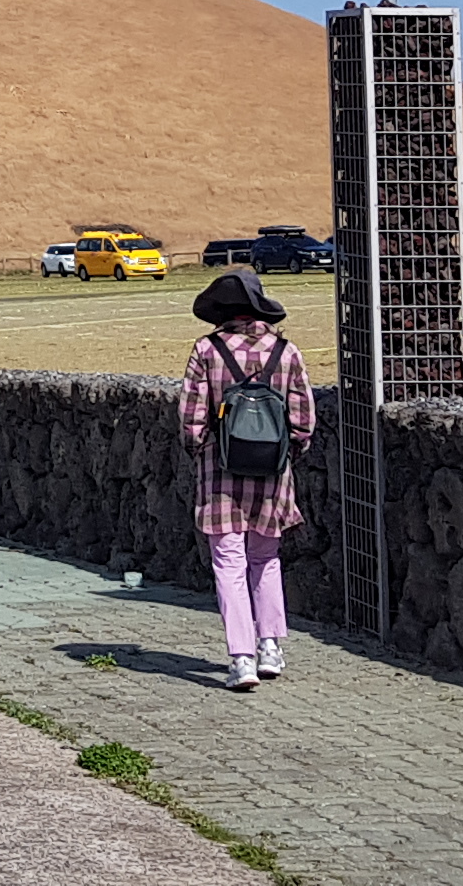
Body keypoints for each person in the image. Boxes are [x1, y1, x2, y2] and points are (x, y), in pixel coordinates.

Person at [177, 267, 313, 692]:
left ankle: (241, 659)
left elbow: (191, 419)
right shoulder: (286, 352)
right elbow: (304, 420)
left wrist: (202, 451)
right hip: (272, 473)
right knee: (265, 558)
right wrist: (287, 454)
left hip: (220, 473)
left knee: (228, 563)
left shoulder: (207, 350)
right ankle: (270, 645)